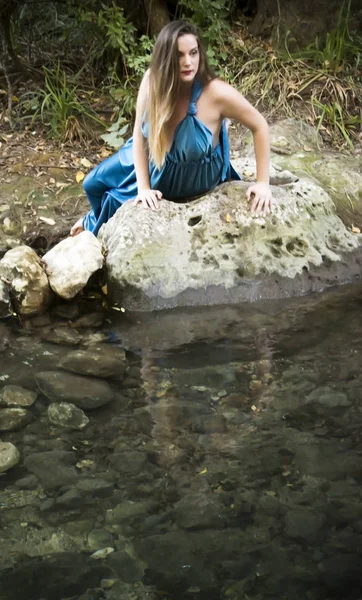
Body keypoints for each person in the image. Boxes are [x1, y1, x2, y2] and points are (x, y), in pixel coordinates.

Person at [71, 19, 273, 237]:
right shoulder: (152, 82)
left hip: (186, 176)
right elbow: (139, 138)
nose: (188, 62)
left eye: (193, 53)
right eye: (179, 55)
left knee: (112, 200)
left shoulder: (217, 93)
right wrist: (143, 188)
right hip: (153, 159)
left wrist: (263, 183)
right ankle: (92, 216)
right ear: (165, 58)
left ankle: (92, 225)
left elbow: (260, 125)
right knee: (92, 183)